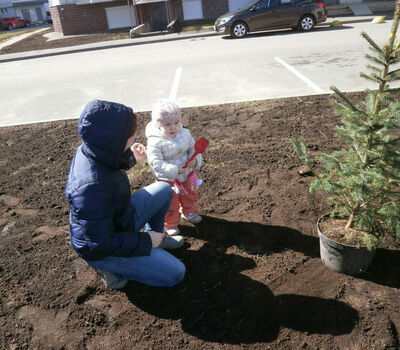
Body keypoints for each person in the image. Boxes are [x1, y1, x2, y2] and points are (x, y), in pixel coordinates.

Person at [65, 99, 186, 290]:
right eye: (129, 136)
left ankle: (156, 238)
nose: (133, 138)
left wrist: (130, 159)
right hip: (102, 249)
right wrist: (145, 241)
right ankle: (111, 270)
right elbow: (99, 243)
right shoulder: (90, 188)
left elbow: (108, 166)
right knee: (176, 273)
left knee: (163, 190)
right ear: (114, 140)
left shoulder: (94, 148)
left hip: (118, 221)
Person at [145, 99, 203, 236]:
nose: (173, 127)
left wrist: (195, 161)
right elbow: (155, 162)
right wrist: (175, 169)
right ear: (158, 124)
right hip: (167, 179)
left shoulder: (185, 134)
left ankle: (188, 211)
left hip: (187, 174)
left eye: (176, 123)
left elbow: (193, 149)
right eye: (167, 124)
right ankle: (170, 223)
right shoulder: (155, 142)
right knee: (170, 202)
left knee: (190, 194)